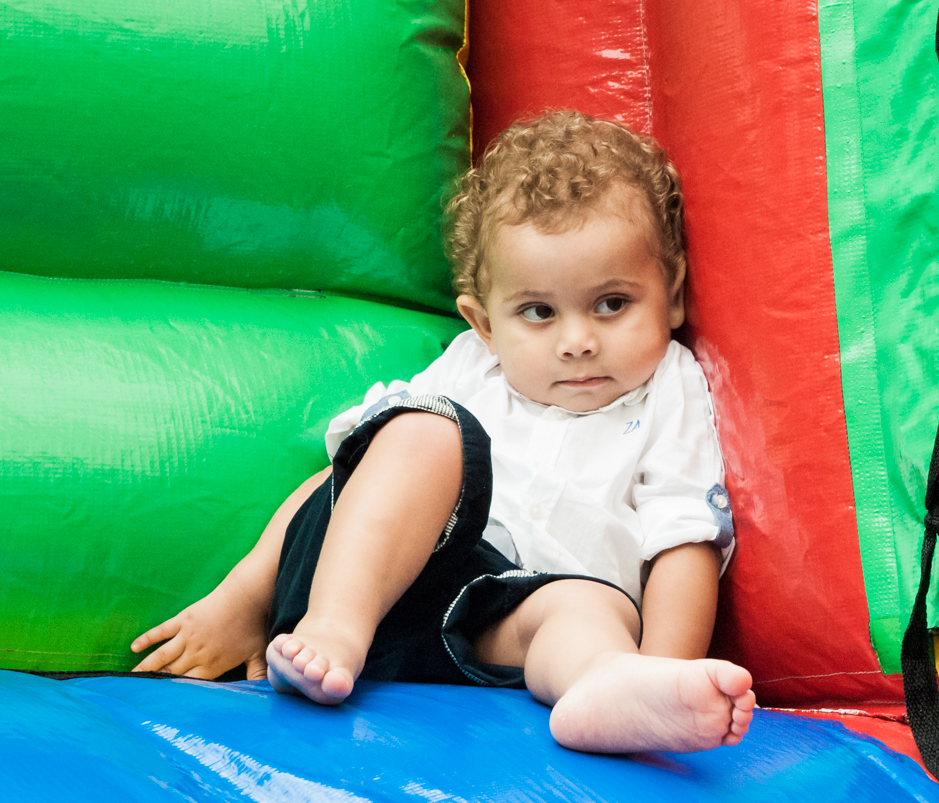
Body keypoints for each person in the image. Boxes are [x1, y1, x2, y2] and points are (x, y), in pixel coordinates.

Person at [130, 110, 755, 754]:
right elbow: (348, 482)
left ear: (672, 295)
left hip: (492, 634)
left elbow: (684, 544)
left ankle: (609, 686)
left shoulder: (669, 387)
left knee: (592, 611)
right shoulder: (471, 367)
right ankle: (336, 629)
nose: (578, 342)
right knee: (424, 433)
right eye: (538, 312)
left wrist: (664, 672)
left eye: (612, 303)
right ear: (483, 323)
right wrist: (245, 596)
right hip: (364, 587)